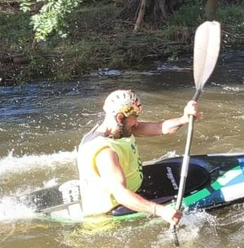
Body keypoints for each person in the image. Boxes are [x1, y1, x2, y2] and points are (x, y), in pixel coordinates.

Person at [76, 89, 201, 225]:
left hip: (136, 185)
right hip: (114, 208)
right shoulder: (105, 153)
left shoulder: (122, 129)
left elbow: (160, 128)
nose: (137, 123)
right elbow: (121, 195)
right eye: (134, 118)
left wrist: (185, 118)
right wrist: (160, 211)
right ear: (119, 117)